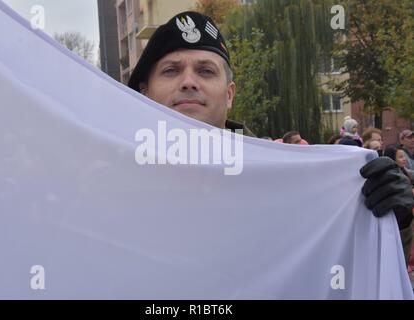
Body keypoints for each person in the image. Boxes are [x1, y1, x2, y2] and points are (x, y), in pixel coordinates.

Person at [128, 11, 414, 261]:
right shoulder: (105, 184)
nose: (189, 82)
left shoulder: (288, 182)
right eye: (171, 70)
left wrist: (389, 224)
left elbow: (344, 269)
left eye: (205, 71)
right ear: (144, 92)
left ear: (229, 95)